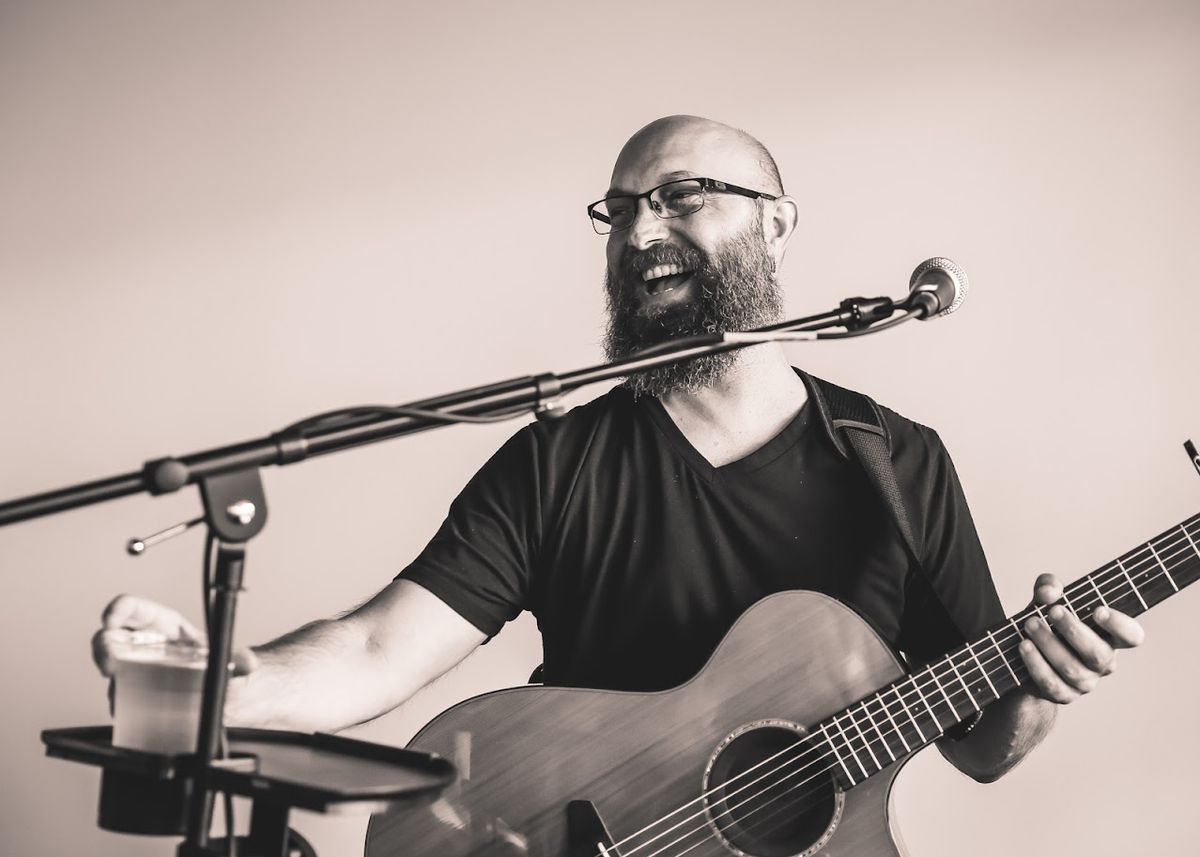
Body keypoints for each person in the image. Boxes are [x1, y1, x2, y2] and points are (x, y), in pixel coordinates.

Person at [93, 115, 1144, 783]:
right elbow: (374, 650)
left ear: (778, 224)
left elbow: (979, 744)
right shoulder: (559, 460)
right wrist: (212, 682)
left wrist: (1039, 686)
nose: (641, 231)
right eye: (621, 209)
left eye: (683, 196)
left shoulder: (898, 462)